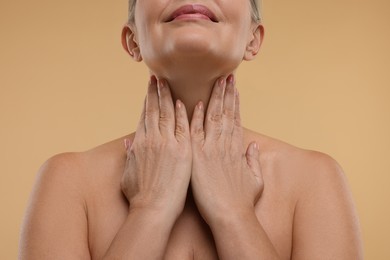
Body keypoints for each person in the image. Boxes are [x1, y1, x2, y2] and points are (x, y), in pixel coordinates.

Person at [19, 0, 363, 259]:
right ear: (132, 40)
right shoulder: (66, 182)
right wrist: (148, 210)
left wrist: (235, 214)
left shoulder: (315, 181)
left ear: (253, 40)